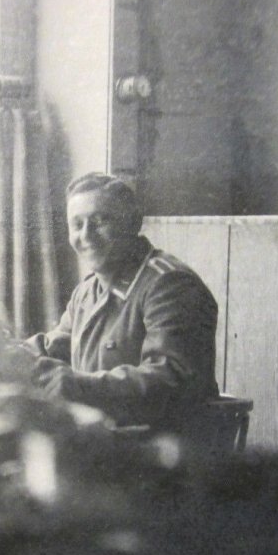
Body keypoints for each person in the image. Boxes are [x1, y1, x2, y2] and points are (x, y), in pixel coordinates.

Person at [24, 172, 219, 431]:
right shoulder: (87, 291)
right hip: (107, 438)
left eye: (99, 221)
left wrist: (77, 385)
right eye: (77, 224)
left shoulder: (169, 284)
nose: (86, 235)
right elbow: (54, 346)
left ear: (133, 223)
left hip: (159, 446)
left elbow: (170, 380)